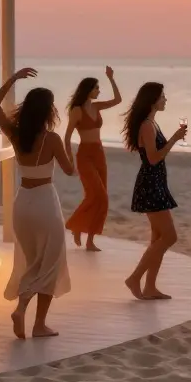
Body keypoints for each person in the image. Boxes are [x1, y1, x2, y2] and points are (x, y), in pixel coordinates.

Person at [0, 67, 75, 339]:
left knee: (32, 262)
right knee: (50, 262)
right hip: (45, 204)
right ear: (49, 112)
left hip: (22, 203)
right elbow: (70, 170)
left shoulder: (16, 134)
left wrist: (12, 80)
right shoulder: (52, 139)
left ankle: (24, 312)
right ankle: (36, 322)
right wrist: (69, 141)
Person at [124, 82, 188, 301]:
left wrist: (172, 138)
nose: (165, 100)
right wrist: (174, 139)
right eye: (162, 96)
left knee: (158, 238)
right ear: (153, 100)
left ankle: (150, 286)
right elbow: (153, 158)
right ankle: (135, 278)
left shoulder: (152, 123)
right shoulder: (147, 126)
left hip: (156, 181)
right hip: (151, 183)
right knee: (169, 237)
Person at [63, 66, 122, 251]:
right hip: (85, 155)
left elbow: (118, 100)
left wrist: (111, 78)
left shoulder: (96, 106)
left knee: (101, 199)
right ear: (88, 90)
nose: (99, 91)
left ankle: (90, 240)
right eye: (96, 88)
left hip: (99, 153)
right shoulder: (77, 110)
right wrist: (70, 161)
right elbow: (66, 137)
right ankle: (75, 225)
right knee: (98, 195)